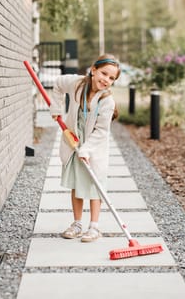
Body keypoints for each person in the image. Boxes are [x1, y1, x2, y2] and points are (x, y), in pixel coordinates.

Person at [50, 54, 120, 242]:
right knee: (76, 183)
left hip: (94, 147)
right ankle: (77, 223)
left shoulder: (107, 102)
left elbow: (101, 131)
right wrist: (56, 109)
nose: (106, 79)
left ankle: (94, 227)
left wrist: (87, 149)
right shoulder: (77, 84)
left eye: (111, 78)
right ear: (93, 69)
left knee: (94, 185)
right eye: (104, 73)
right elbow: (57, 84)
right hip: (74, 141)